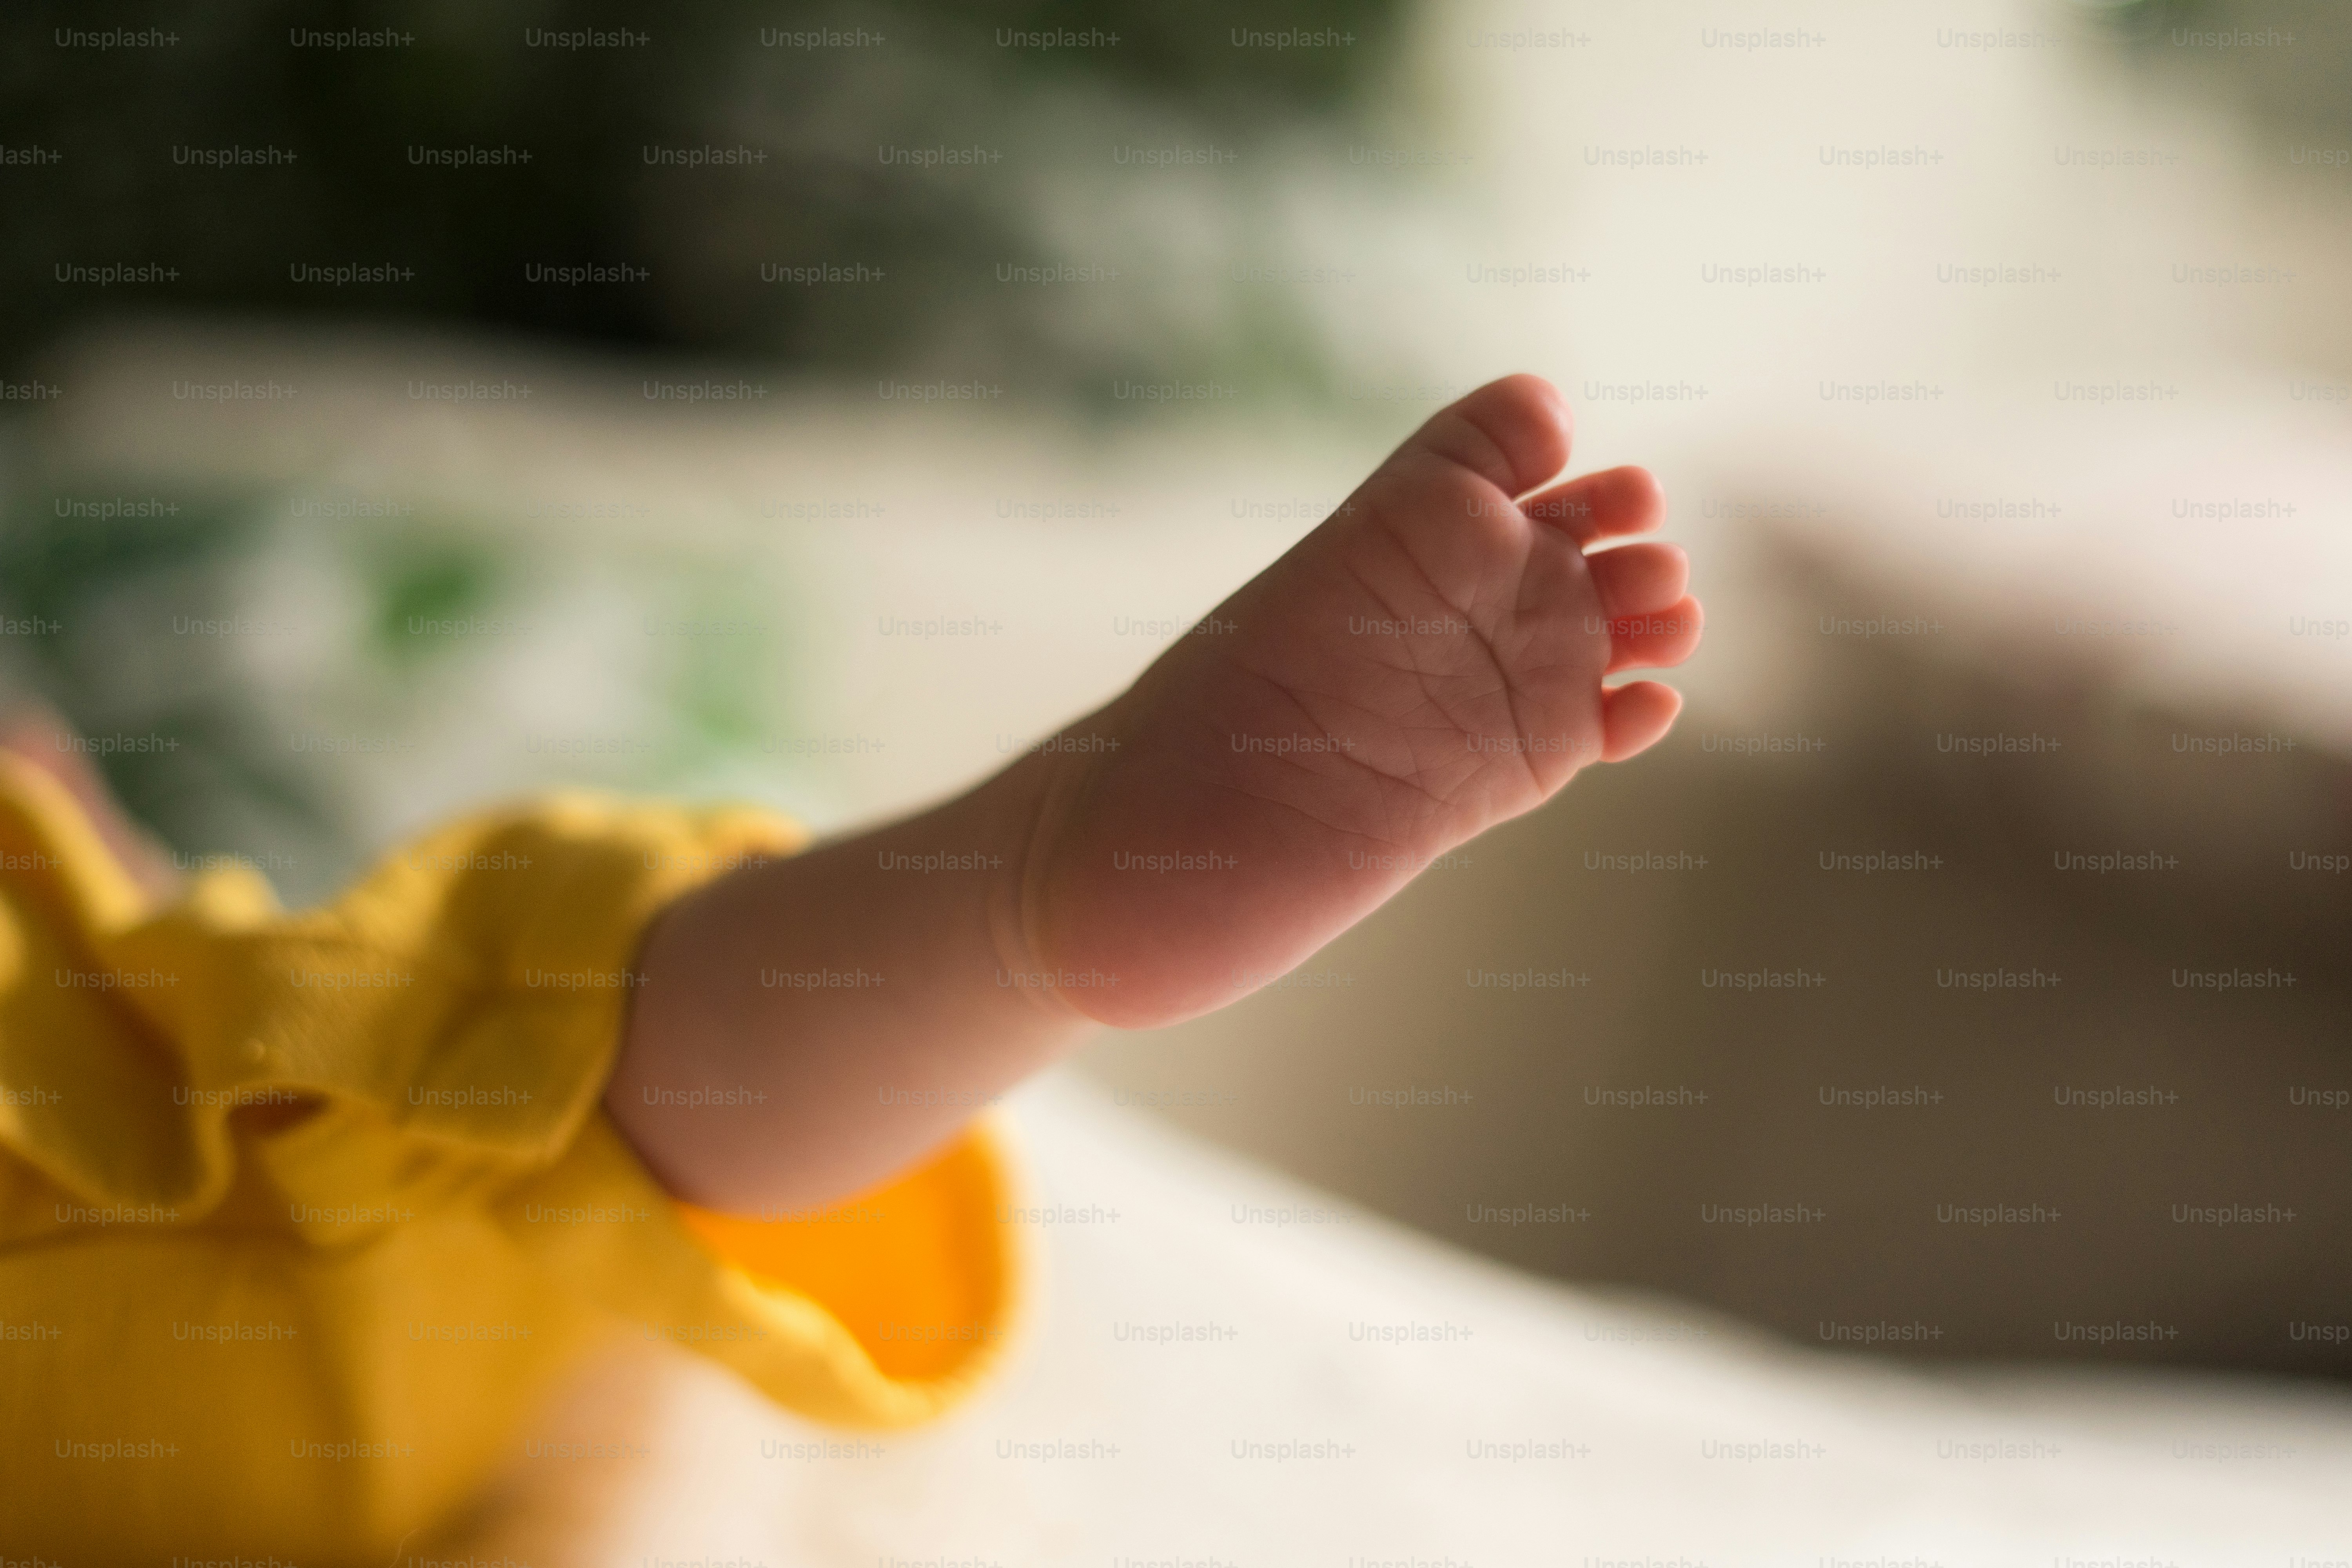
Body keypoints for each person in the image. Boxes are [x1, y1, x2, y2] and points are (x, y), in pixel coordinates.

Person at [0, 374, 1699, 1560]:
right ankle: (1021, 896)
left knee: (466, 1081)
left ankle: (1030, 896)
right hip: (302, 1281)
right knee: (516, 1054)